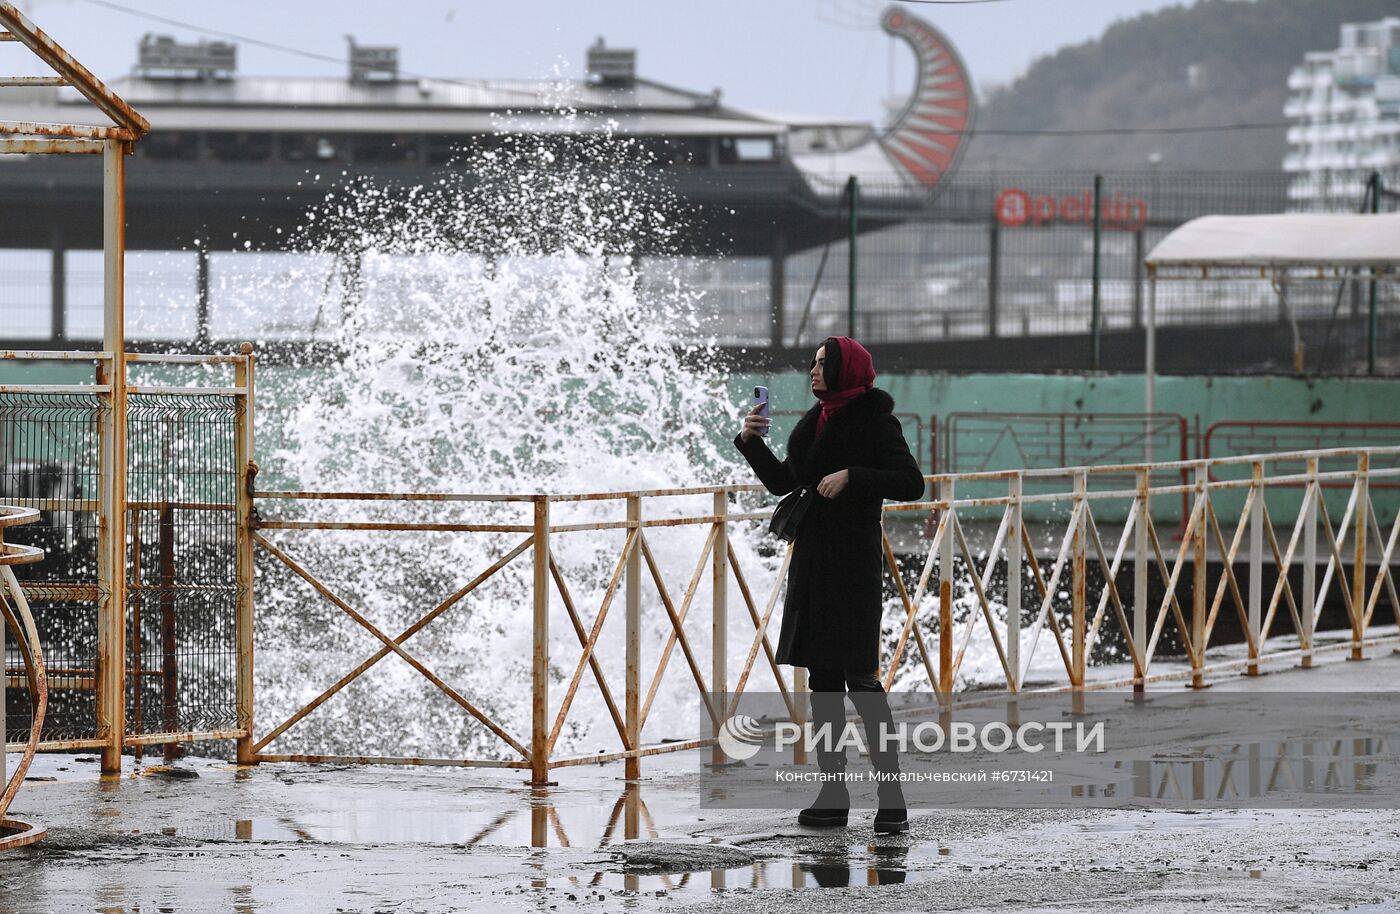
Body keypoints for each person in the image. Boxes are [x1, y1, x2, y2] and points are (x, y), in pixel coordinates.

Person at [734, 336, 925, 834]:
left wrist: (852, 476)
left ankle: (891, 797)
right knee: (822, 682)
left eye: (823, 364)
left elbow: (910, 481)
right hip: (814, 564)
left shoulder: (874, 419)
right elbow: (783, 483)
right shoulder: (813, 423)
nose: (813, 371)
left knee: (860, 679)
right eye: (813, 363)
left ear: (848, 370)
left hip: (853, 566)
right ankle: (833, 792)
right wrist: (753, 442)